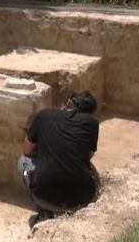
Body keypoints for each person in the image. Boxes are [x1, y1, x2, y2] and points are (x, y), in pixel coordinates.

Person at [18, 91, 101, 228]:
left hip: (44, 196)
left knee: (23, 162)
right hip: (82, 200)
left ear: (69, 102)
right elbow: (88, 155)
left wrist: (47, 149)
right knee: (87, 166)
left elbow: (27, 151)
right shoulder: (92, 123)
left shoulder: (44, 115)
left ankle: (44, 213)